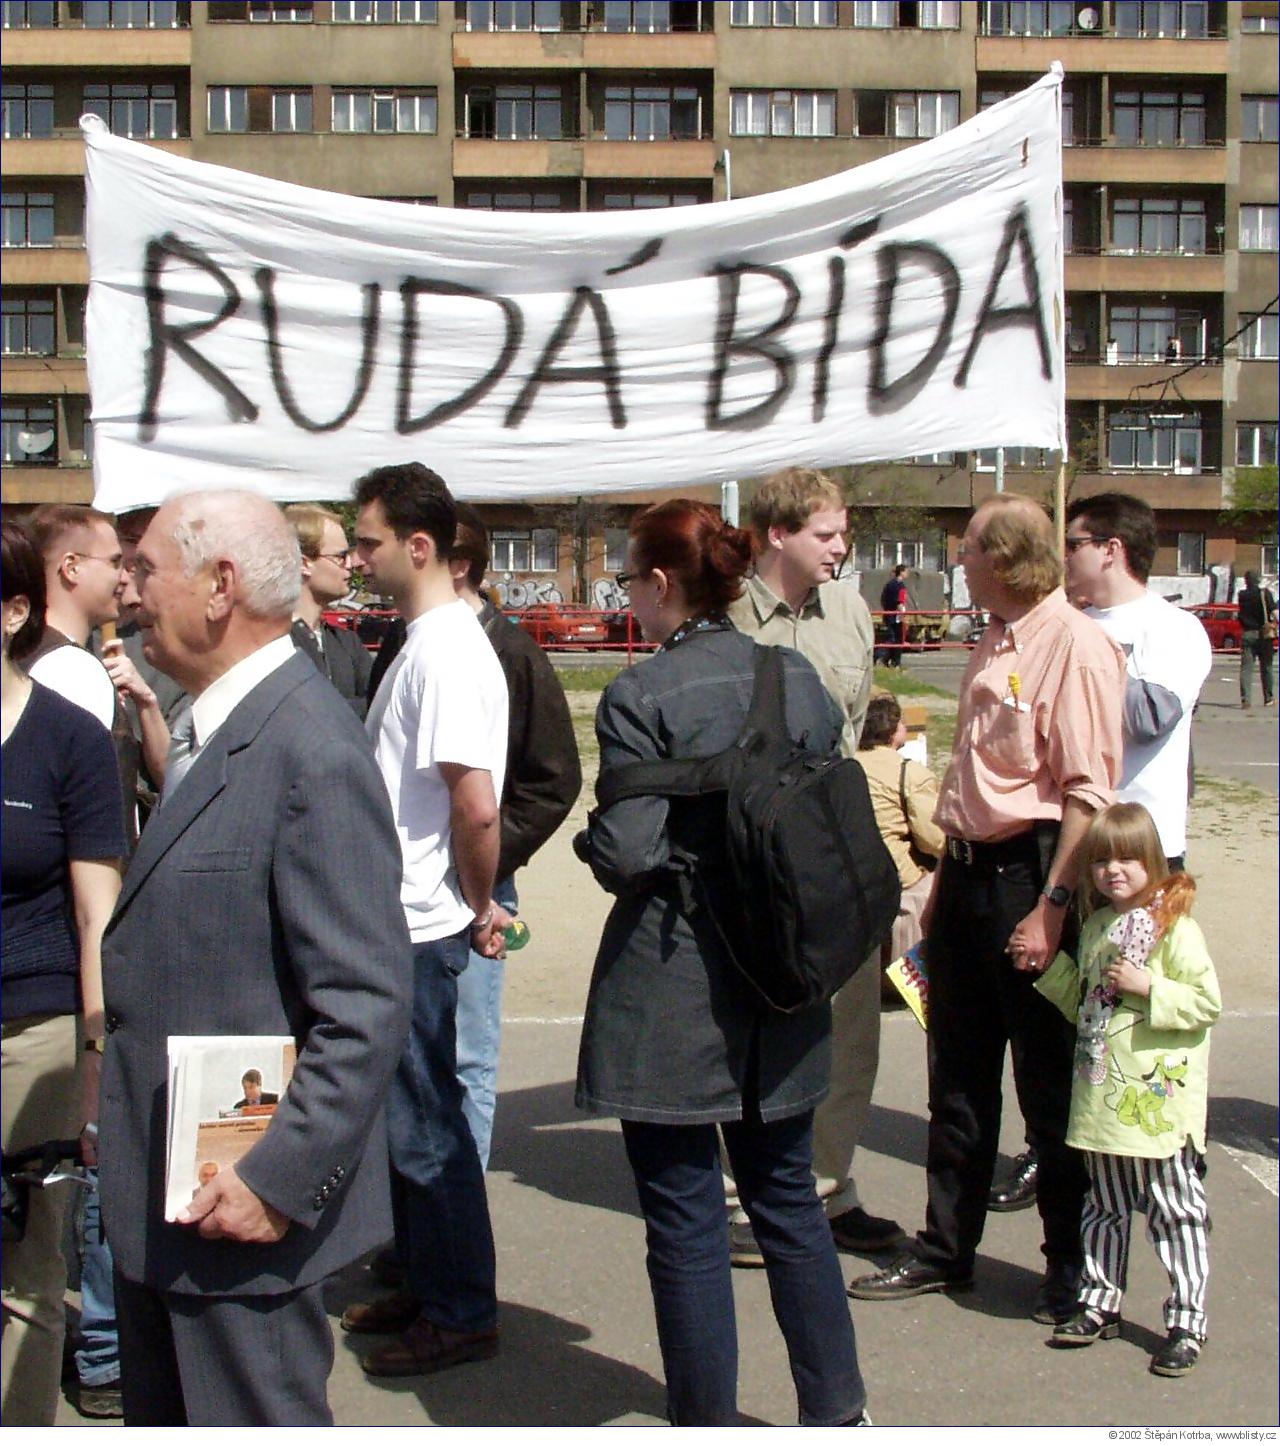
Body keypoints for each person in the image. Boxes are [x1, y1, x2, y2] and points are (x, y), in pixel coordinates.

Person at [98, 489, 412, 1426]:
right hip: (174, 1198)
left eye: (144, 569)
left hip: (242, 1210)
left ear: (219, 585)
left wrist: (276, 1182)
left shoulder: (310, 747)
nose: (127, 589)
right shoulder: (218, 724)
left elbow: (364, 1001)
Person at [575, 499, 869, 1426]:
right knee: (788, 1203)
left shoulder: (639, 695)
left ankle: (706, 1423)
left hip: (675, 983)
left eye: (630, 579)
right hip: (784, 976)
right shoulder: (798, 680)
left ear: (664, 584)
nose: (629, 596)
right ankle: (838, 1413)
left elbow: (625, 855)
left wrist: (610, 844)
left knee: (688, 1224)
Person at [849, 494, 1125, 1328]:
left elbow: (1086, 795)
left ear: (1004, 558)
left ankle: (1070, 1273)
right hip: (967, 878)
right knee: (957, 1080)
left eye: (967, 549)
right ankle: (946, 1249)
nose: (957, 560)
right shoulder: (994, 639)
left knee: (1046, 1089)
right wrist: (941, 895)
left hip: (1032, 879)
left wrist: (1050, 910)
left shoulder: (1075, 647)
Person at [341, 463, 509, 1379]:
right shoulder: (424, 641)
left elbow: (474, 805)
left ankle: (460, 1310)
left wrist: (481, 904)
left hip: (417, 927)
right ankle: (426, 1278)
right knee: (409, 1121)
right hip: (399, 921)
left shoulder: (446, 651)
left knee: (427, 1127)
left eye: (366, 541)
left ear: (418, 546)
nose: (357, 557)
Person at [726, 467, 899, 1262]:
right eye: (826, 534)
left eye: (842, 533)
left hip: (831, 845)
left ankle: (826, 1188)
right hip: (748, 854)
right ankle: (742, 1205)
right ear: (776, 534)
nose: (841, 548)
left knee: (850, 1024)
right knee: (755, 1025)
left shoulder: (852, 612)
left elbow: (853, 730)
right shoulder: (722, 613)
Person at [1, 519, 124, 1427]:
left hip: (30, 1034)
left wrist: (91, 1060)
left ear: (13, 611)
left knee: (26, 1273)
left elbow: (95, 920)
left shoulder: (68, 740)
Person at [1038, 803, 1220, 1378]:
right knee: (1105, 1211)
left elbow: (1205, 1004)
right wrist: (1049, 973)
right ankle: (1100, 1303)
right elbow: (1089, 1008)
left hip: (1160, 1113)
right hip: (1104, 1107)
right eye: (1101, 861)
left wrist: (1150, 986)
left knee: (1175, 1215)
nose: (1114, 871)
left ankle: (1186, 1321)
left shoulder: (1175, 927)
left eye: (1127, 859)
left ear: (1153, 861)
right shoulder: (1096, 928)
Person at [447, 503, 581, 1168]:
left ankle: (457, 1227)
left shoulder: (513, 654)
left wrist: (491, 852)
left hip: (481, 888)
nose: (366, 563)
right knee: (410, 1052)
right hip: (403, 884)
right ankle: (415, 1223)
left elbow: (555, 779)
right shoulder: (404, 641)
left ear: (456, 565)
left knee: (468, 1055)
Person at [1064, 492, 1211, 870]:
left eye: (1073, 545)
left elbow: (1148, 717)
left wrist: (1092, 653)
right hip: (1071, 838)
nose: (1064, 557)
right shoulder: (1070, 625)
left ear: (1110, 549)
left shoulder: (1173, 628)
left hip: (1143, 848)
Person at [855, 694, 944, 965]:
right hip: (896, 876)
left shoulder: (847, 763)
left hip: (854, 870)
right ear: (894, 730)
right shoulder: (909, 773)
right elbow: (934, 840)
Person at [282, 503, 373, 718]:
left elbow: (376, 706)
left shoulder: (347, 643)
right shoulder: (272, 643)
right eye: (340, 557)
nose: (350, 564)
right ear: (304, 563)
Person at [1236, 569, 1276, 710]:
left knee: (1246, 669)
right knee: (1266, 667)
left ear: (1246, 581)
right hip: (1264, 635)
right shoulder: (1264, 594)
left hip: (1247, 634)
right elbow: (1275, 613)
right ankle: (1268, 698)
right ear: (1258, 579)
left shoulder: (1242, 595)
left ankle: (1246, 700)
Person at [878, 564, 911, 668]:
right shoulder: (900, 586)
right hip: (896, 616)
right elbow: (900, 602)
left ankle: (887, 660)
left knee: (891, 638)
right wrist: (903, 615)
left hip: (888, 614)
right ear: (901, 572)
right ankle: (891, 661)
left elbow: (883, 599)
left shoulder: (889, 584)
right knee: (896, 640)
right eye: (906, 571)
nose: (907, 573)